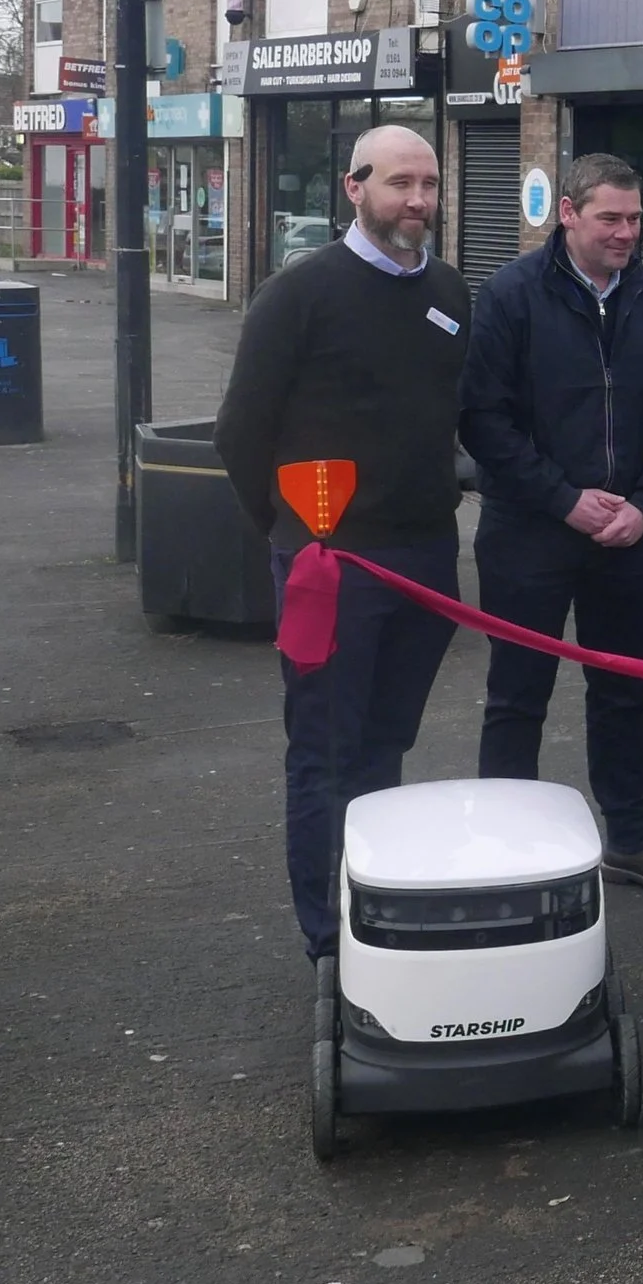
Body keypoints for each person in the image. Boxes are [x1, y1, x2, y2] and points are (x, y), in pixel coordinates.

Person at [214, 126, 469, 963]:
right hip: (331, 569)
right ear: (354, 188)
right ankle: (331, 940)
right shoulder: (299, 294)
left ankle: (376, 907)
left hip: (427, 561)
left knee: (386, 745)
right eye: (401, 183)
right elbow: (241, 432)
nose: (419, 201)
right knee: (325, 751)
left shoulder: (450, 293)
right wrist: (291, 536)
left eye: (429, 184)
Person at [458, 153, 643, 895]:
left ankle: (631, 838)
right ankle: (506, 850)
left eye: (635, 219)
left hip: (627, 535)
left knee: (624, 690)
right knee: (516, 693)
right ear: (567, 214)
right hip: (528, 531)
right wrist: (562, 498)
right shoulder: (509, 296)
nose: (627, 232)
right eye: (611, 219)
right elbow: (482, 418)